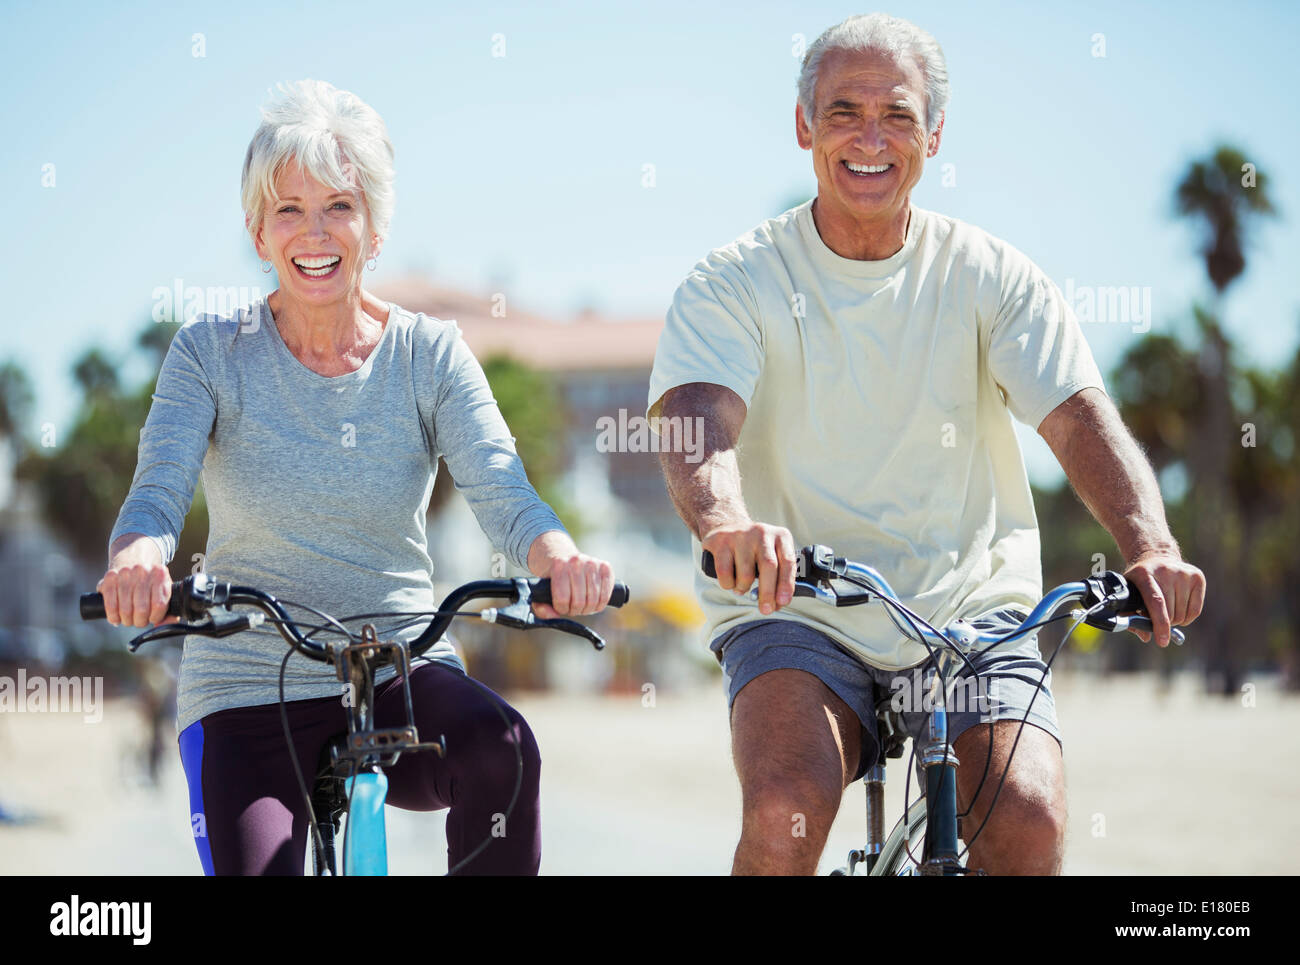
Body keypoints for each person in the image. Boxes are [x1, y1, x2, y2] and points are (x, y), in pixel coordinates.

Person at [648, 13, 1205, 875]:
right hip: (797, 606)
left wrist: (1151, 545)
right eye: (843, 112)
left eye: (898, 115)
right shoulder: (737, 280)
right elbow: (696, 418)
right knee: (784, 807)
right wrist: (725, 522)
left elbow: (1078, 417)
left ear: (934, 134)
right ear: (803, 126)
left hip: (970, 610)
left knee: (1027, 817)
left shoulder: (991, 276)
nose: (871, 138)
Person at [99, 79, 616, 875]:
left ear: (374, 229)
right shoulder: (208, 353)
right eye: (288, 209)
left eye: (339, 205)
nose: (315, 231)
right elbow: (157, 492)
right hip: (246, 682)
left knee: (505, 751)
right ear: (256, 231)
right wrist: (137, 559)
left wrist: (559, 560)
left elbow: (506, 491)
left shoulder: (429, 354)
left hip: (399, 663)